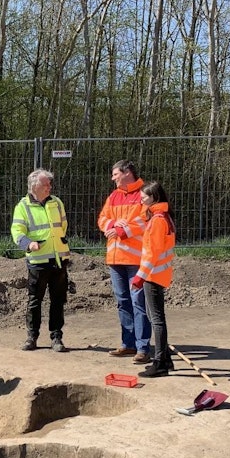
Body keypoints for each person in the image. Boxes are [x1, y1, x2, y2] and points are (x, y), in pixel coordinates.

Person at [97, 159, 152, 362]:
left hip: (136, 259)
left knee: (138, 303)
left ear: (127, 172)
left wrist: (119, 230)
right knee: (123, 302)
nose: (112, 178)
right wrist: (111, 223)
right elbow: (102, 218)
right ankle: (128, 344)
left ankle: (142, 347)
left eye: (115, 174)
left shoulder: (144, 194)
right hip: (115, 258)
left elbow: (143, 220)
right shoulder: (114, 196)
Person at [11, 168, 71, 352]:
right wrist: (28, 244)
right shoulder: (23, 206)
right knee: (35, 300)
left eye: (49, 184)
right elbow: (17, 231)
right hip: (37, 261)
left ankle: (56, 337)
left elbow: (63, 226)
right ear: (34, 186)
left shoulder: (57, 203)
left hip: (59, 259)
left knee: (58, 300)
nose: (49, 187)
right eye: (45, 184)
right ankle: (32, 337)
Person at [131, 181, 176, 377]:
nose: (141, 201)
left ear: (154, 198)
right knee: (154, 317)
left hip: (153, 274)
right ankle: (165, 357)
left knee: (156, 319)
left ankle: (160, 363)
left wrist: (140, 277)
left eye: (144, 198)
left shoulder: (158, 220)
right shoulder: (159, 216)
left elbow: (152, 252)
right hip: (156, 273)